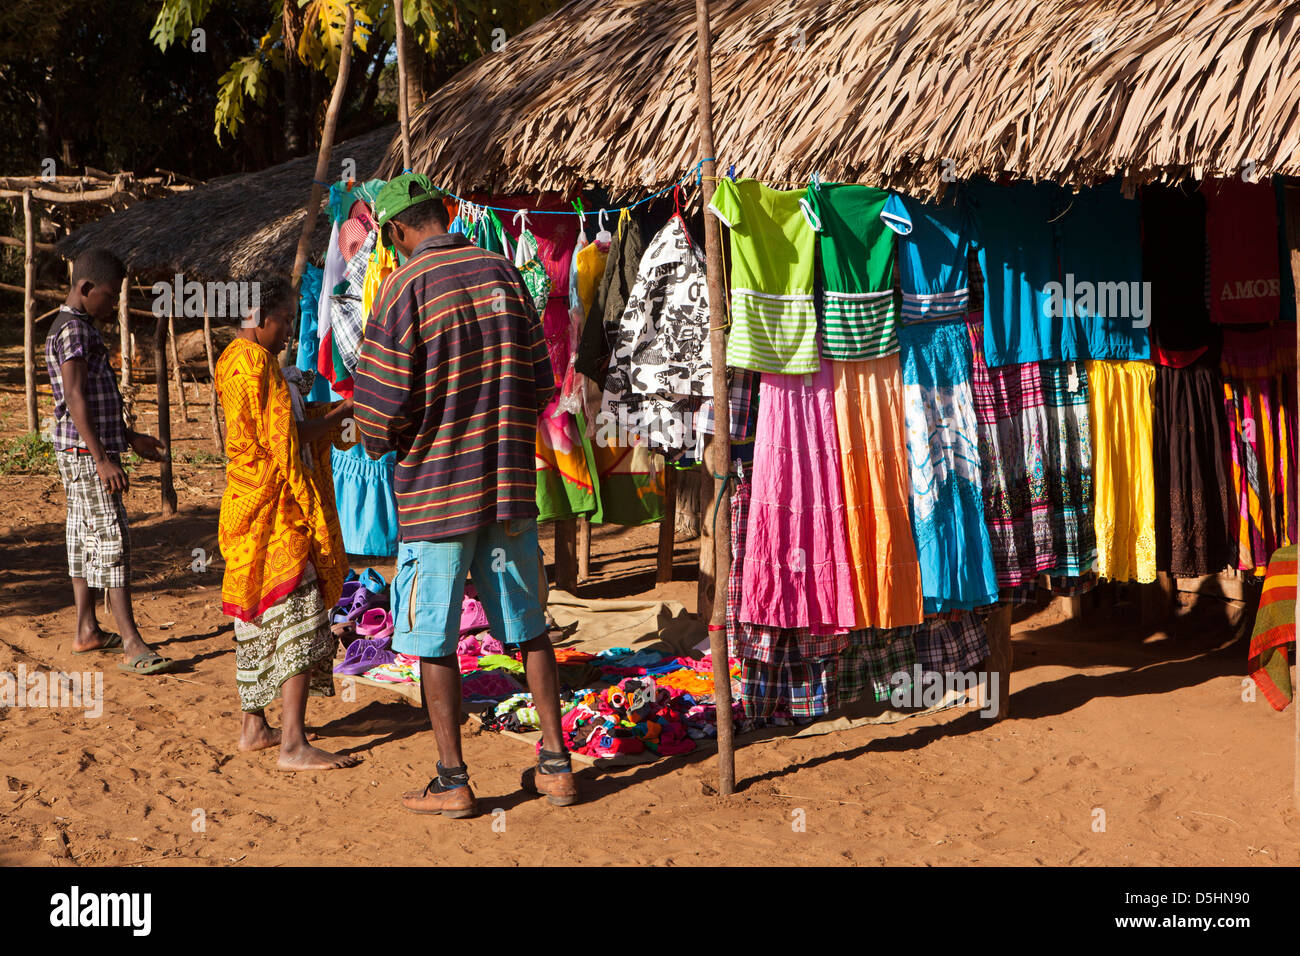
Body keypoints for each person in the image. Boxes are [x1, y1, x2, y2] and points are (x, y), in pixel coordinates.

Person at [353, 173, 576, 817]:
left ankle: (454, 782)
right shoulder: (504, 273)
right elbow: (541, 383)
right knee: (530, 627)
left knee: (433, 638)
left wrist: (390, 438)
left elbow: (376, 412)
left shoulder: (404, 288)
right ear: (444, 214)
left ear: (396, 232)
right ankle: (558, 767)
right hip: (508, 488)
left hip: (435, 496)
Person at [215, 273, 359, 771]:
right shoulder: (254, 364)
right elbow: (285, 438)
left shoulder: (233, 360)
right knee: (298, 615)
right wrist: (339, 417)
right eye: (285, 322)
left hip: (246, 505)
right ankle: (293, 744)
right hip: (277, 511)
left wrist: (333, 412)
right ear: (259, 318)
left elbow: (281, 423)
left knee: (254, 615)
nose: (288, 333)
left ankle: (254, 726)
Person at [46, 249, 174, 675]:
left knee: (83, 537)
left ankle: (87, 628)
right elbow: (76, 398)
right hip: (86, 455)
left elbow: (95, 401)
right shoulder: (74, 333)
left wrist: (130, 438)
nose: (114, 303)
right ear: (85, 289)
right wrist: (102, 458)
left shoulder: (75, 326)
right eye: (110, 294)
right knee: (112, 539)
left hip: (79, 449)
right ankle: (133, 643)